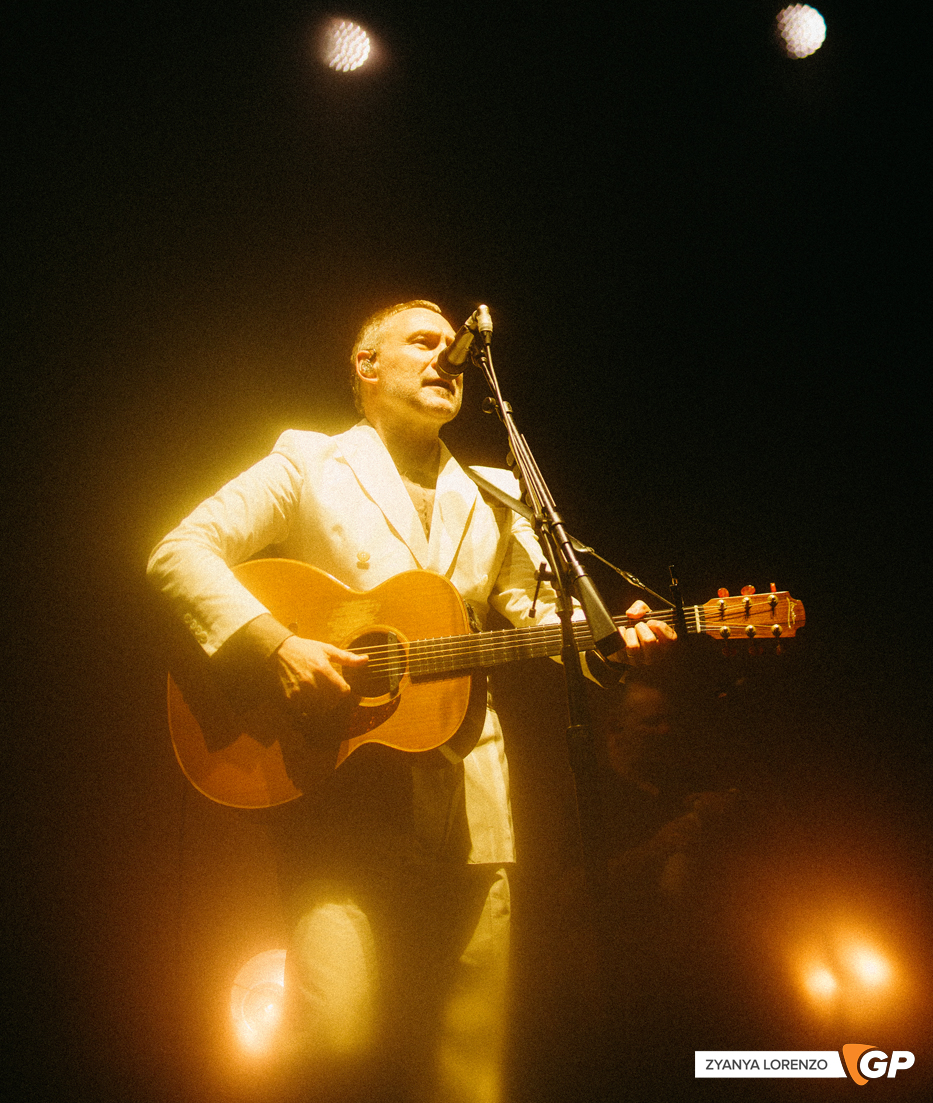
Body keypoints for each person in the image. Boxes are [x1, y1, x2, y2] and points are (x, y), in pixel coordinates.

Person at [147, 299, 672, 1103]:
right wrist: (279, 645)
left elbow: (539, 619)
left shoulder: (495, 493)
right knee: (338, 1035)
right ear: (366, 368)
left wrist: (608, 638)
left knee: (470, 1064)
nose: (446, 360)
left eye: (453, 351)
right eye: (421, 344)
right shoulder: (308, 463)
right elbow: (179, 552)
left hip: (471, 799)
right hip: (338, 797)